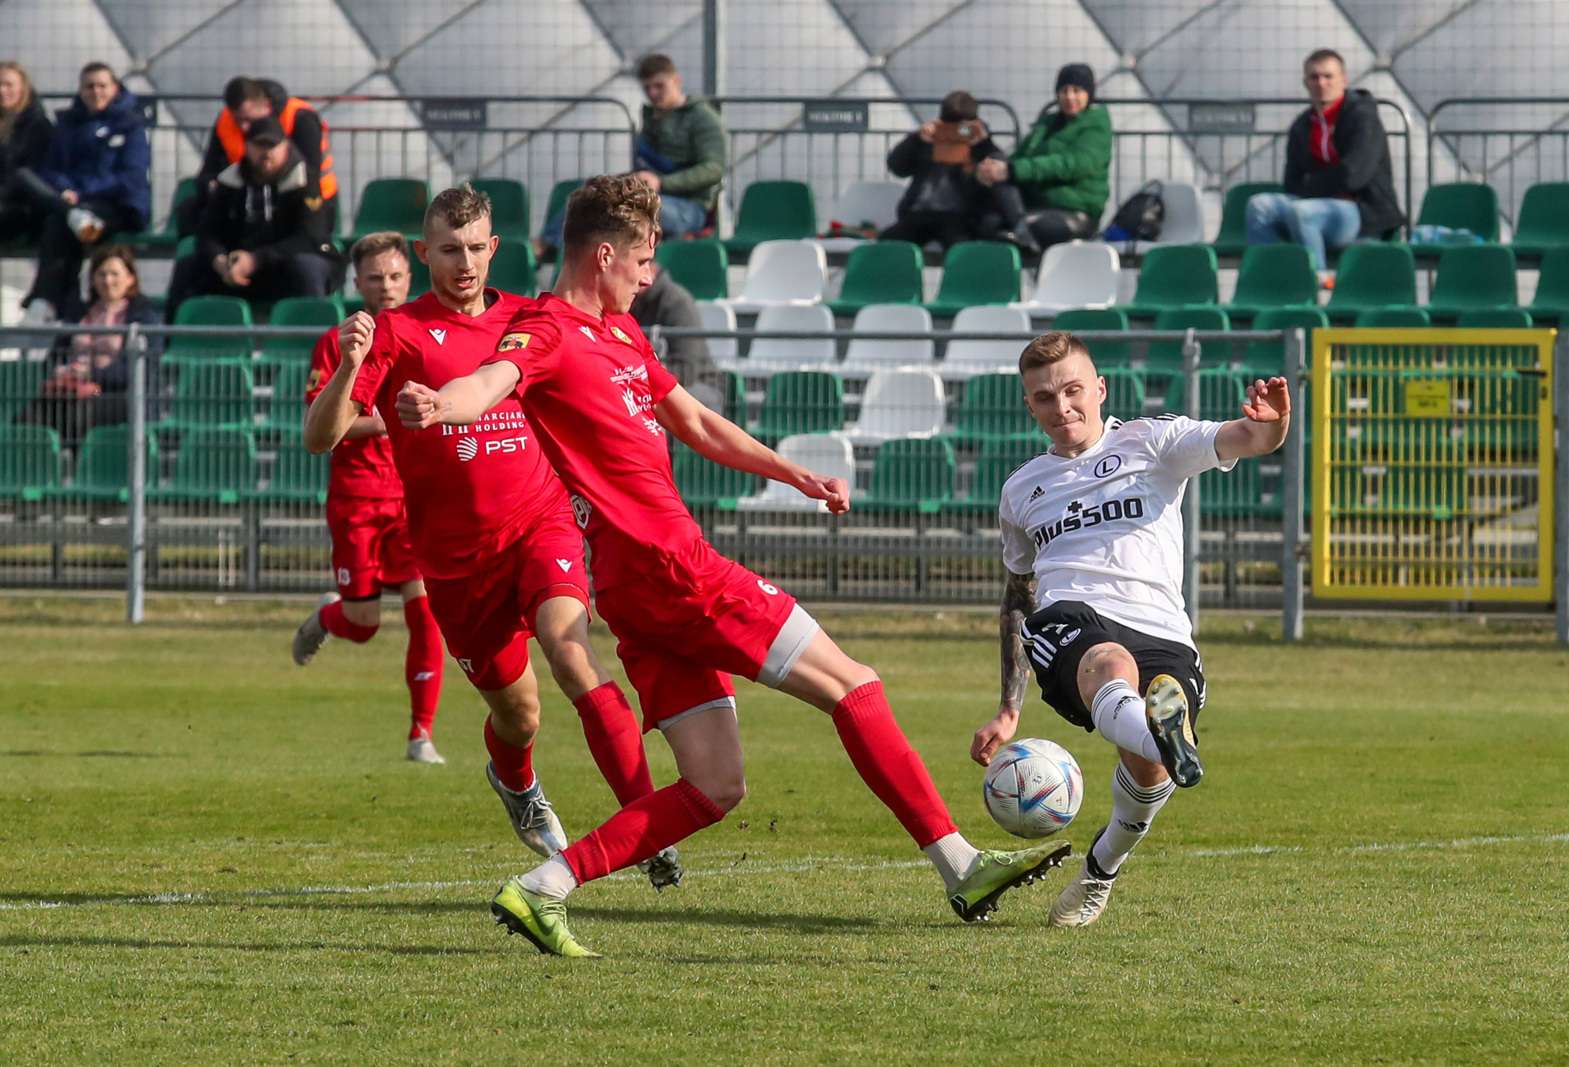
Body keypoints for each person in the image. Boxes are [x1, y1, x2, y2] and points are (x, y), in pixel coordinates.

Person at [398, 175, 1072, 958]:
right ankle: (962, 867)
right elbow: (493, 380)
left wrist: (795, 474)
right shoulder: (547, 328)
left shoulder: (622, 336)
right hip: (671, 566)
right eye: (644, 260)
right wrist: (442, 405)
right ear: (606, 254)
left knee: (716, 785)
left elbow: (695, 422)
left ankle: (544, 887)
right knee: (854, 684)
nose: (650, 276)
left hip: (634, 589)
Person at [303, 185, 682, 887]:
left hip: (540, 525)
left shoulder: (528, 318)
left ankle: (649, 823)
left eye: (477, 247)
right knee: (520, 713)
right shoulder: (396, 332)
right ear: (425, 254)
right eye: (450, 249)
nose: (465, 262)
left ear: (495, 248)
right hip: (454, 560)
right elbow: (319, 437)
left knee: (576, 658)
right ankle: (516, 781)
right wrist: (353, 367)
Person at [970, 331, 1291, 929]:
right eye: (1044, 398)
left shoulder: (1154, 440)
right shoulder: (1020, 489)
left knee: (1149, 777)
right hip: (1073, 621)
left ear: (1099, 389)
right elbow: (1019, 596)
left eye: (1072, 391)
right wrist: (1008, 706)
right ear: (1029, 406)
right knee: (1109, 664)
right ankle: (1165, 734)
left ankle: (1101, 868)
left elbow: (1249, 437)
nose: (1061, 407)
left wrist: (1272, 424)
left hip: (1164, 631)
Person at [297, 231, 445, 764]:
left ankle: (420, 734)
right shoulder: (340, 341)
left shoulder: (426, 335)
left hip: (414, 496)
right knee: (363, 626)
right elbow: (324, 425)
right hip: (357, 498)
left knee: (426, 611)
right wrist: (385, 421)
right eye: (376, 278)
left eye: (396, 276)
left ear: (411, 278)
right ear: (357, 283)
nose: (387, 287)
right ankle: (327, 619)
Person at [537, 54, 725, 252]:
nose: (653, 93)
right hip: (648, 195)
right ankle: (563, 252)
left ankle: (555, 249)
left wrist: (662, 183)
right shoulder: (653, 117)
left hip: (688, 208)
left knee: (624, 206)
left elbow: (713, 169)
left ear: (676, 81)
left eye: (659, 86)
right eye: (647, 88)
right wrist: (625, 179)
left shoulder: (703, 118)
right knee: (592, 189)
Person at [165, 115, 343, 319]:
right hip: (240, 271)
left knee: (306, 266)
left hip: (284, 265)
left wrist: (256, 259)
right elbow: (207, 232)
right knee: (187, 267)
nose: (265, 153)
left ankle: (313, 342)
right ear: (247, 146)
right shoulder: (230, 181)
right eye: (259, 145)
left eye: (272, 145)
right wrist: (219, 260)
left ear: (285, 146)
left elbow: (310, 237)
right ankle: (171, 342)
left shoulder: (304, 180)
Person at [1245, 49, 1404, 275]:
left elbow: (1355, 175)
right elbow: (1292, 182)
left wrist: (1313, 185)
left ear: (1343, 81)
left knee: (1301, 211)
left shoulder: (1363, 118)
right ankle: (1262, 281)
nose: (1321, 83)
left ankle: (1316, 287)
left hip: (1361, 213)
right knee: (1259, 206)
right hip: (1312, 209)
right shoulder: (1302, 126)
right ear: (1305, 82)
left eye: (1328, 76)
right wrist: (1322, 185)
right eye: (1314, 77)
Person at [20, 62, 149, 321]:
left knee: (64, 224)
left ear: (115, 88)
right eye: (89, 86)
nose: (96, 92)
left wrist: (82, 193)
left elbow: (129, 176)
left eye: (102, 86)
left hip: (118, 206)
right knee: (59, 221)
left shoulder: (131, 125)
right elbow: (51, 167)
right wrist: (68, 191)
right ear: (80, 90)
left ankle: (45, 300)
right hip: (76, 205)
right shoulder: (68, 125)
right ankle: (58, 306)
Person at [12, 244, 160, 447]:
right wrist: (60, 371)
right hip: (70, 393)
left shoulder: (144, 317)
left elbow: (140, 367)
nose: (108, 281)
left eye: (115, 274)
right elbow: (54, 356)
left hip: (117, 396)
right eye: (102, 274)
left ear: (130, 278)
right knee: (27, 418)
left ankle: (74, 471)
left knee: (77, 416)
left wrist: (91, 375)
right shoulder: (78, 313)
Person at [975, 64, 1111, 251]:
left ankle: (1021, 231)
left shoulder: (1097, 127)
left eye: (1077, 91)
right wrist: (987, 168)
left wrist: (1011, 170)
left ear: (1089, 93)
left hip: (1075, 214)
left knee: (1015, 228)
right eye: (1064, 90)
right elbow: (1018, 159)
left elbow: (1073, 164)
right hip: (1035, 208)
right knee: (989, 223)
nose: (1070, 97)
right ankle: (1019, 230)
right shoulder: (1047, 124)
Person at [180, 76, 337, 236]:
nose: (244, 127)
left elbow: (308, 173)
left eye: (249, 120)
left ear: (267, 106)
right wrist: (211, 186)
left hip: (307, 202)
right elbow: (208, 170)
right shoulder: (225, 120)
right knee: (191, 212)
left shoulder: (299, 117)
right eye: (238, 120)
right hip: (247, 203)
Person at [881, 90, 1009, 250]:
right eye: (949, 127)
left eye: (961, 128)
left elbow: (999, 168)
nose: (954, 133)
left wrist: (982, 143)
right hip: (920, 214)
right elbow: (897, 167)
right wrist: (916, 140)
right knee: (888, 244)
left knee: (962, 249)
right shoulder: (929, 140)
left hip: (959, 216)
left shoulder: (979, 144)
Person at [628, 264, 721, 410]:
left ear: (651, 270)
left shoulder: (677, 302)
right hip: (648, 383)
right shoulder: (625, 302)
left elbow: (687, 369)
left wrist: (638, 378)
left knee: (666, 404)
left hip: (700, 384)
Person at [0, 61, 54, 244]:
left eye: (8, 84)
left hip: (25, 209)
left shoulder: (38, 126)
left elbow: (34, 177)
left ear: (23, 88)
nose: (2, 90)